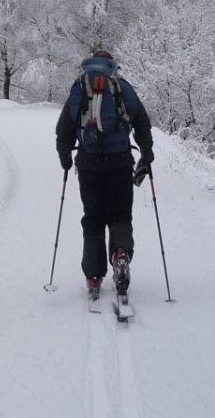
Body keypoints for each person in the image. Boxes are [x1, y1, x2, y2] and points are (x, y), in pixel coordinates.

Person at [54, 50, 152, 301]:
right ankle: (120, 253)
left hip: (88, 165)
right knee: (120, 214)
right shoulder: (122, 88)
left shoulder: (80, 88)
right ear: (112, 66)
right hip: (120, 162)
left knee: (93, 218)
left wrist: (65, 155)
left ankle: (94, 276)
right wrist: (146, 152)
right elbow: (141, 122)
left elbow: (64, 128)